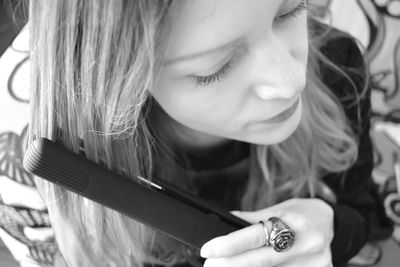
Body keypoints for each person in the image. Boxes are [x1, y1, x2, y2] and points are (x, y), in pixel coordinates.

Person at [26, 0, 393, 266]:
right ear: (119, 85)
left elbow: (359, 212)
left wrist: (328, 228)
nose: (292, 80)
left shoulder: (335, 65)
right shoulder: (88, 162)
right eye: (214, 68)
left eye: (291, 10)